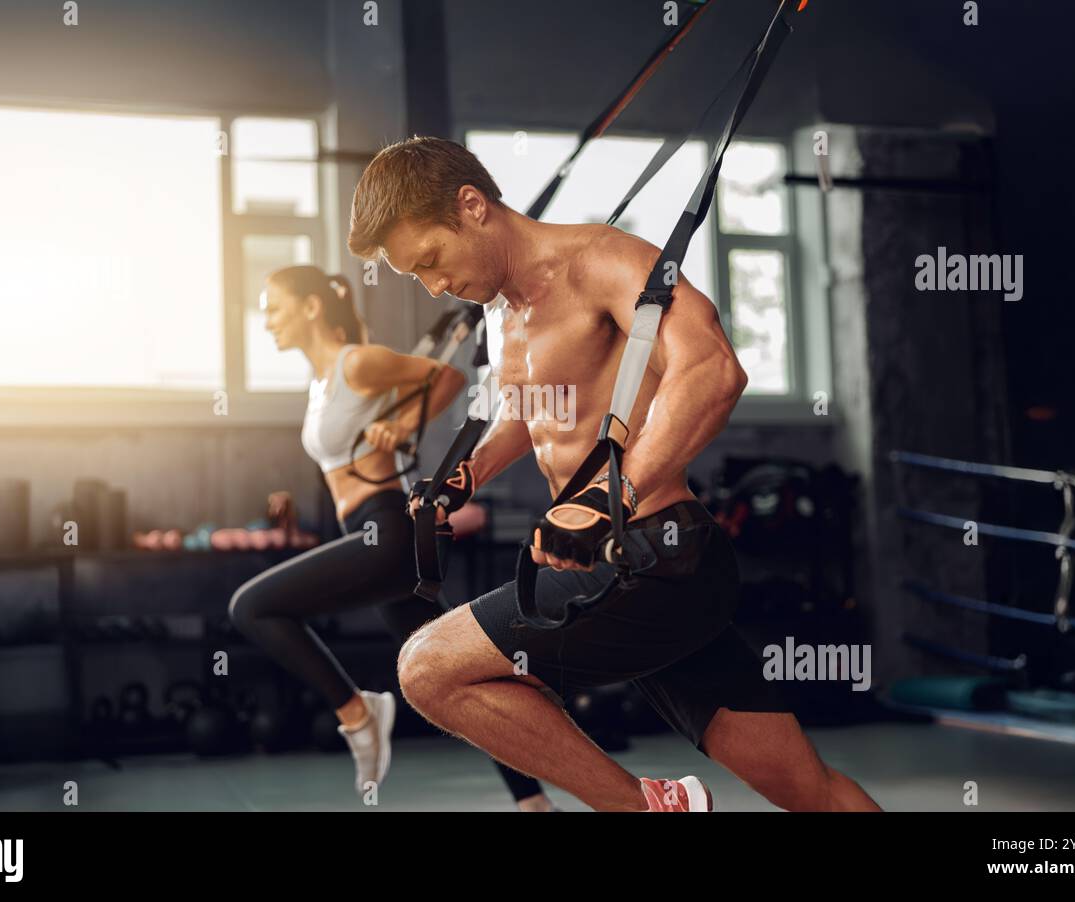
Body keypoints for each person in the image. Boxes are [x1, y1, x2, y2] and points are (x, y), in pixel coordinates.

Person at [347, 137, 882, 812]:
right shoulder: (504, 310)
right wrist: (467, 474)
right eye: (415, 276)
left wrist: (611, 499)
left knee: (427, 668)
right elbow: (532, 409)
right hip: (620, 573)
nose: (435, 285)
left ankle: (644, 808)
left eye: (430, 260)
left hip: (657, 556)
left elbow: (714, 369)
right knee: (813, 793)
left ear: (472, 206)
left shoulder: (602, 260)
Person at [227, 264, 555, 811]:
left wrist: (404, 428)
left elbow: (446, 379)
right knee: (459, 678)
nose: (266, 323)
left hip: (388, 536)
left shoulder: (358, 361)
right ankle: (532, 800)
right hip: (370, 539)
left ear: (311, 307)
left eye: (274, 308)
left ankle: (357, 712)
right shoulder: (321, 379)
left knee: (252, 608)